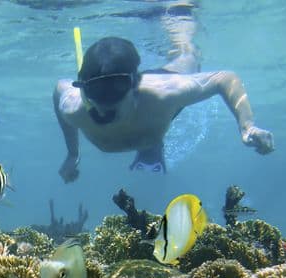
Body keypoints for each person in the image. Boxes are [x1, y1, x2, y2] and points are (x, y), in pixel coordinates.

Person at [54, 5, 274, 181]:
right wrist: (72, 153)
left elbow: (223, 78)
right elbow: (60, 88)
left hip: (159, 90)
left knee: (187, 56)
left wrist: (247, 126)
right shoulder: (74, 108)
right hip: (146, 113)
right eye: (97, 93)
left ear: (134, 84)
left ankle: (179, 23)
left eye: (116, 92)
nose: (106, 103)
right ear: (83, 88)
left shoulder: (165, 94)